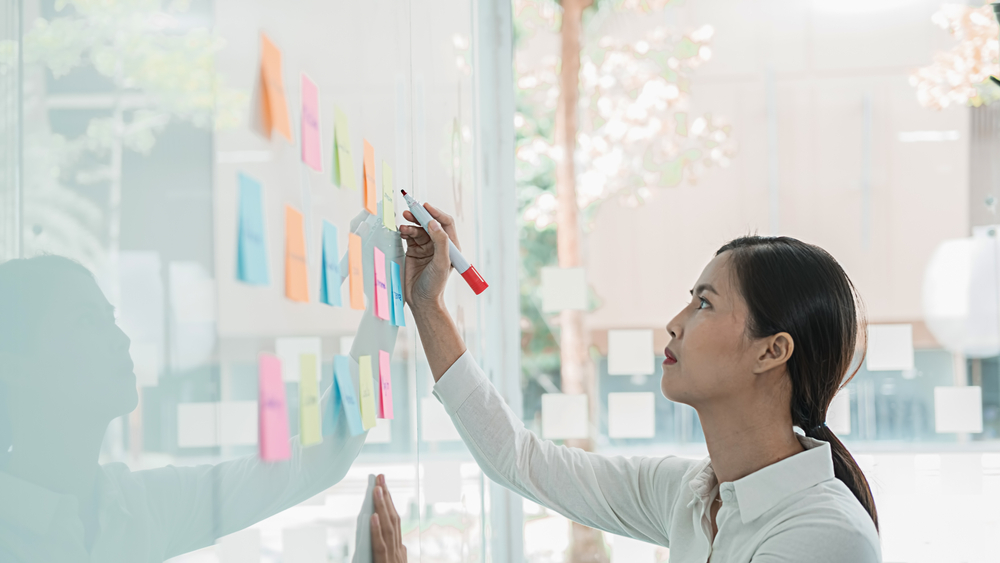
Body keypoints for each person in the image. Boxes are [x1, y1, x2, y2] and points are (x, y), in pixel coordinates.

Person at [399, 205, 882, 562]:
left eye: (705, 305)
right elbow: (521, 461)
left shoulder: (825, 535)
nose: (675, 323)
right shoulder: (694, 493)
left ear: (771, 351)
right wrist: (427, 305)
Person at [0, 256, 378, 562]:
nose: (121, 338)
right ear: (16, 368)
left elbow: (313, 460)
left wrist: (387, 293)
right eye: (86, 321)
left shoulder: (142, 507)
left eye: (110, 319)